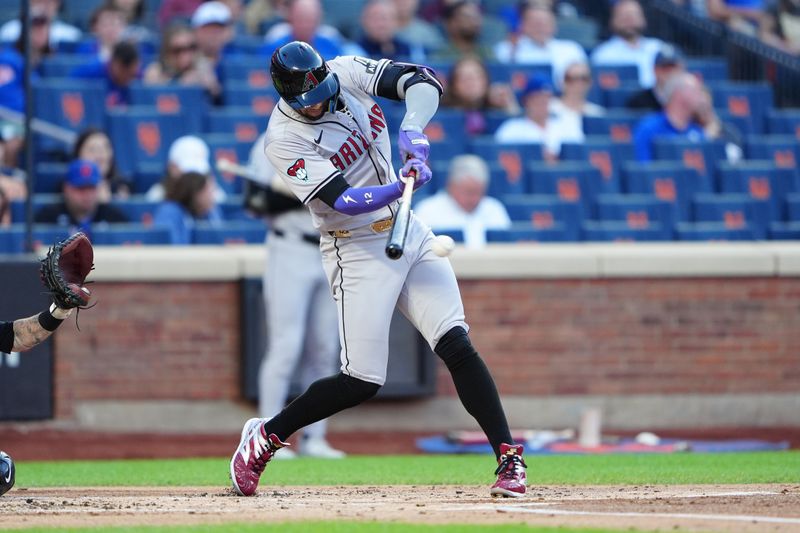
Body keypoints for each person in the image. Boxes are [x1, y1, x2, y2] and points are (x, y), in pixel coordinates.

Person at [229, 41, 527, 499]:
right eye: (308, 103)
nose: (320, 106)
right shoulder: (283, 139)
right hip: (355, 247)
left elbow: (421, 79)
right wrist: (399, 185)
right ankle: (267, 435)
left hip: (408, 230)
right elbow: (343, 200)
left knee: (456, 342)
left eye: (323, 94)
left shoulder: (347, 73)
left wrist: (413, 128)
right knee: (361, 380)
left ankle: (509, 457)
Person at [247, 132, 345, 459]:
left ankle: (315, 437)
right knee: (285, 346)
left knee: (325, 347)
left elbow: (345, 194)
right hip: (288, 246)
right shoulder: (274, 139)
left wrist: (312, 190)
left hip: (330, 246)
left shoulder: (339, 136)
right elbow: (255, 200)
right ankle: (265, 434)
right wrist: (302, 192)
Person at [415, 155, 511, 248]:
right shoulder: (427, 210)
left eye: (480, 192)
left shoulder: (494, 208)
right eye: (469, 192)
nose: (475, 199)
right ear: (451, 186)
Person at [493, 3, 587, 88]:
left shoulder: (571, 49)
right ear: (522, 25)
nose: (540, 27)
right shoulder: (506, 49)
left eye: (545, 22)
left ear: (554, 25)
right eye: (535, 23)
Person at [494, 74, 584, 160]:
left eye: (546, 98)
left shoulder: (567, 126)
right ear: (526, 100)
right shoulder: (511, 129)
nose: (542, 102)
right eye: (537, 98)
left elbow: (580, 157)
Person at [34, 159, 129, 235]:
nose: (87, 195)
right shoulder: (48, 217)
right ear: (66, 188)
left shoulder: (114, 217)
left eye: (91, 188)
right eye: (81, 188)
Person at [590, 0, 665, 88]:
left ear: (643, 19)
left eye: (634, 15)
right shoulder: (603, 55)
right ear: (613, 21)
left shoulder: (658, 48)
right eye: (624, 16)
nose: (629, 20)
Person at [633, 72, 706, 162]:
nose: (702, 98)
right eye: (696, 91)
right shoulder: (648, 129)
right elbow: (643, 168)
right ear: (680, 95)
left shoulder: (697, 130)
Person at [441, 56, 520, 135]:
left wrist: (508, 103)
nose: (470, 82)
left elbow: (519, 131)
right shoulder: (441, 111)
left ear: (486, 81)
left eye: (476, 76)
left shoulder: (498, 107)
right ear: (453, 84)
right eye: (463, 77)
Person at [143, 23, 221, 102]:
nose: (187, 54)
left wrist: (204, 84)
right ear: (167, 52)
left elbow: (215, 94)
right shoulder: (155, 70)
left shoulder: (202, 65)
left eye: (191, 47)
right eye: (178, 50)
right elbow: (152, 102)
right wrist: (179, 84)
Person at [145, 135, 227, 203]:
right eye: (188, 173)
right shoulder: (157, 196)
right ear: (172, 167)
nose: (193, 179)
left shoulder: (213, 194)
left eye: (197, 173)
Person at [153, 171, 222, 244]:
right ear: (197, 193)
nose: (213, 197)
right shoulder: (169, 211)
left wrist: (211, 212)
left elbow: (219, 239)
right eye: (209, 192)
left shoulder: (208, 212)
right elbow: (169, 247)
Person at [260, 0, 344, 60]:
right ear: (290, 17)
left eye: (310, 20)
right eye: (301, 19)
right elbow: (258, 75)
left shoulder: (330, 45)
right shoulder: (275, 45)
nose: (305, 25)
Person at [70, 40, 141, 108]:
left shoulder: (129, 82)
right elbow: (67, 91)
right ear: (117, 65)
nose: (131, 79)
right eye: (129, 75)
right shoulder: (90, 73)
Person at [73, 127, 131, 202]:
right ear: (79, 154)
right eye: (93, 149)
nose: (100, 155)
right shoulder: (70, 186)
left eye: (105, 148)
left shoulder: (122, 186)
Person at [549, 61, 605, 136]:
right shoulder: (550, 108)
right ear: (562, 82)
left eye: (584, 79)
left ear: (591, 82)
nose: (578, 83)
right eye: (571, 79)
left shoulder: (598, 113)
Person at [626, 44, 686, 112]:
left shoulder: (690, 99)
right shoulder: (638, 101)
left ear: (682, 69)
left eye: (673, 68)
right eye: (664, 68)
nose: (669, 73)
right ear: (654, 70)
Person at [430, 1, 494, 61]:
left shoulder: (486, 53)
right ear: (451, 23)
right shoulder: (440, 56)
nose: (474, 22)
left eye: (476, 17)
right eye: (467, 17)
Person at [0, 0, 81, 47]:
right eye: (39, 1)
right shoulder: (9, 30)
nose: (43, 6)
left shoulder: (71, 35)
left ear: (57, 4)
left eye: (48, 2)